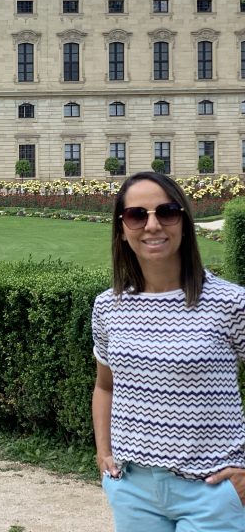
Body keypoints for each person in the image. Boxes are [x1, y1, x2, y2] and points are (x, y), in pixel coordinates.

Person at [92, 171, 245, 531]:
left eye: (167, 211)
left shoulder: (230, 303)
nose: (153, 225)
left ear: (184, 221)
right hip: (134, 490)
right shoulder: (107, 307)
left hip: (212, 492)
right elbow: (105, 386)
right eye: (136, 215)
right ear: (121, 228)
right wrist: (103, 452)